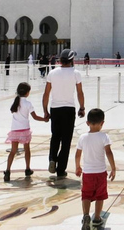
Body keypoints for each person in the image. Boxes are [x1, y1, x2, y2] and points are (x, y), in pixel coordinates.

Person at [42, 49, 85, 179]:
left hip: (55, 109)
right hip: (69, 109)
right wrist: (82, 107)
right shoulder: (76, 73)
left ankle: (52, 159)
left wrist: (45, 110)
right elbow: (79, 92)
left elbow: (46, 93)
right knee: (66, 140)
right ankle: (61, 169)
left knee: (55, 136)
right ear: (72, 60)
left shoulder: (53, 73)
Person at [75, 108, 116, 229]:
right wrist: (113, 168)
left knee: (86, 195)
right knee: (100, 195)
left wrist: (78, 166)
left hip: (87, 173)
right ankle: (97, 217)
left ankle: (86, 215)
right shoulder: (104, 137)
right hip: (100, 172)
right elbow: (109, 153)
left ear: (87, 123)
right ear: (102, 123)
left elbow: (77, 154)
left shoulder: (83, 137)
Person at [4, 82, 46, 181]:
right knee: (27, 149)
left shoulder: (15, 103)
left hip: (15, 130)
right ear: (27, 92)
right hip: (24, 130)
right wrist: (44, 119)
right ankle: (27, 168)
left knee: (13, 151)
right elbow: (35, 117)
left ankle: (7, 171)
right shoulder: (28, 104)